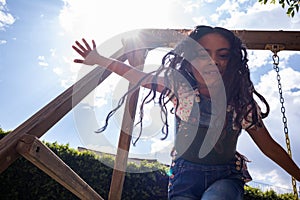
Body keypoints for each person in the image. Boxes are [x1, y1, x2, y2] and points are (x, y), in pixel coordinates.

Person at [72, 25, 300, 199]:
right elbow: (138, 77)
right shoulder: (180, 89)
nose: (212, 61)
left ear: (232, 61)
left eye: (222, 55)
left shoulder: (241, 104)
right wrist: (100, 60)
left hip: (226, 176)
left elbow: (268, 146)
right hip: (185, 176)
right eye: (202, 54)